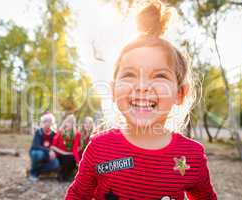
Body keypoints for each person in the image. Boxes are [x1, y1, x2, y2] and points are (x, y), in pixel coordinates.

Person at [65, 1, 217, 199]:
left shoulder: (192, 156)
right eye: (129, 74)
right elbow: (77, 195)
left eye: (159, 76)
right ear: (112, 90)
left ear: (180, 94)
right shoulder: (99, 148)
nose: (142, 86)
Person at [28, 112, 60, 182]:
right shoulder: (39, 132)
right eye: (45, 121)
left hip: (48, 156)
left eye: (50, 121)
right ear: (43, 122)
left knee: (56, 164)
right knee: (38, 154)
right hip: (37, 152)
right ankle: (33, 174)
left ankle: (36, 169)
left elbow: (56, 146)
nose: (47, 123)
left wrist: (53, 152)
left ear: (52, 123)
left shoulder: (54, 134)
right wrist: (48, 151)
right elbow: (36, 146)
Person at [52, 114, 81, 181]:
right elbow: (53, 146)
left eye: (72, 122)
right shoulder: (60, 132)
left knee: (71, 158)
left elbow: (74, 149)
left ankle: (66, 175)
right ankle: (61, 175)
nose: (69, 124)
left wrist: (78, 162)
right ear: (65, 122)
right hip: (60, 154)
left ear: (74, 124)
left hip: (70, 155)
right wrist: (64, 153)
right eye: (68, 122)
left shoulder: (76, 134)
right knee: (67, 158)